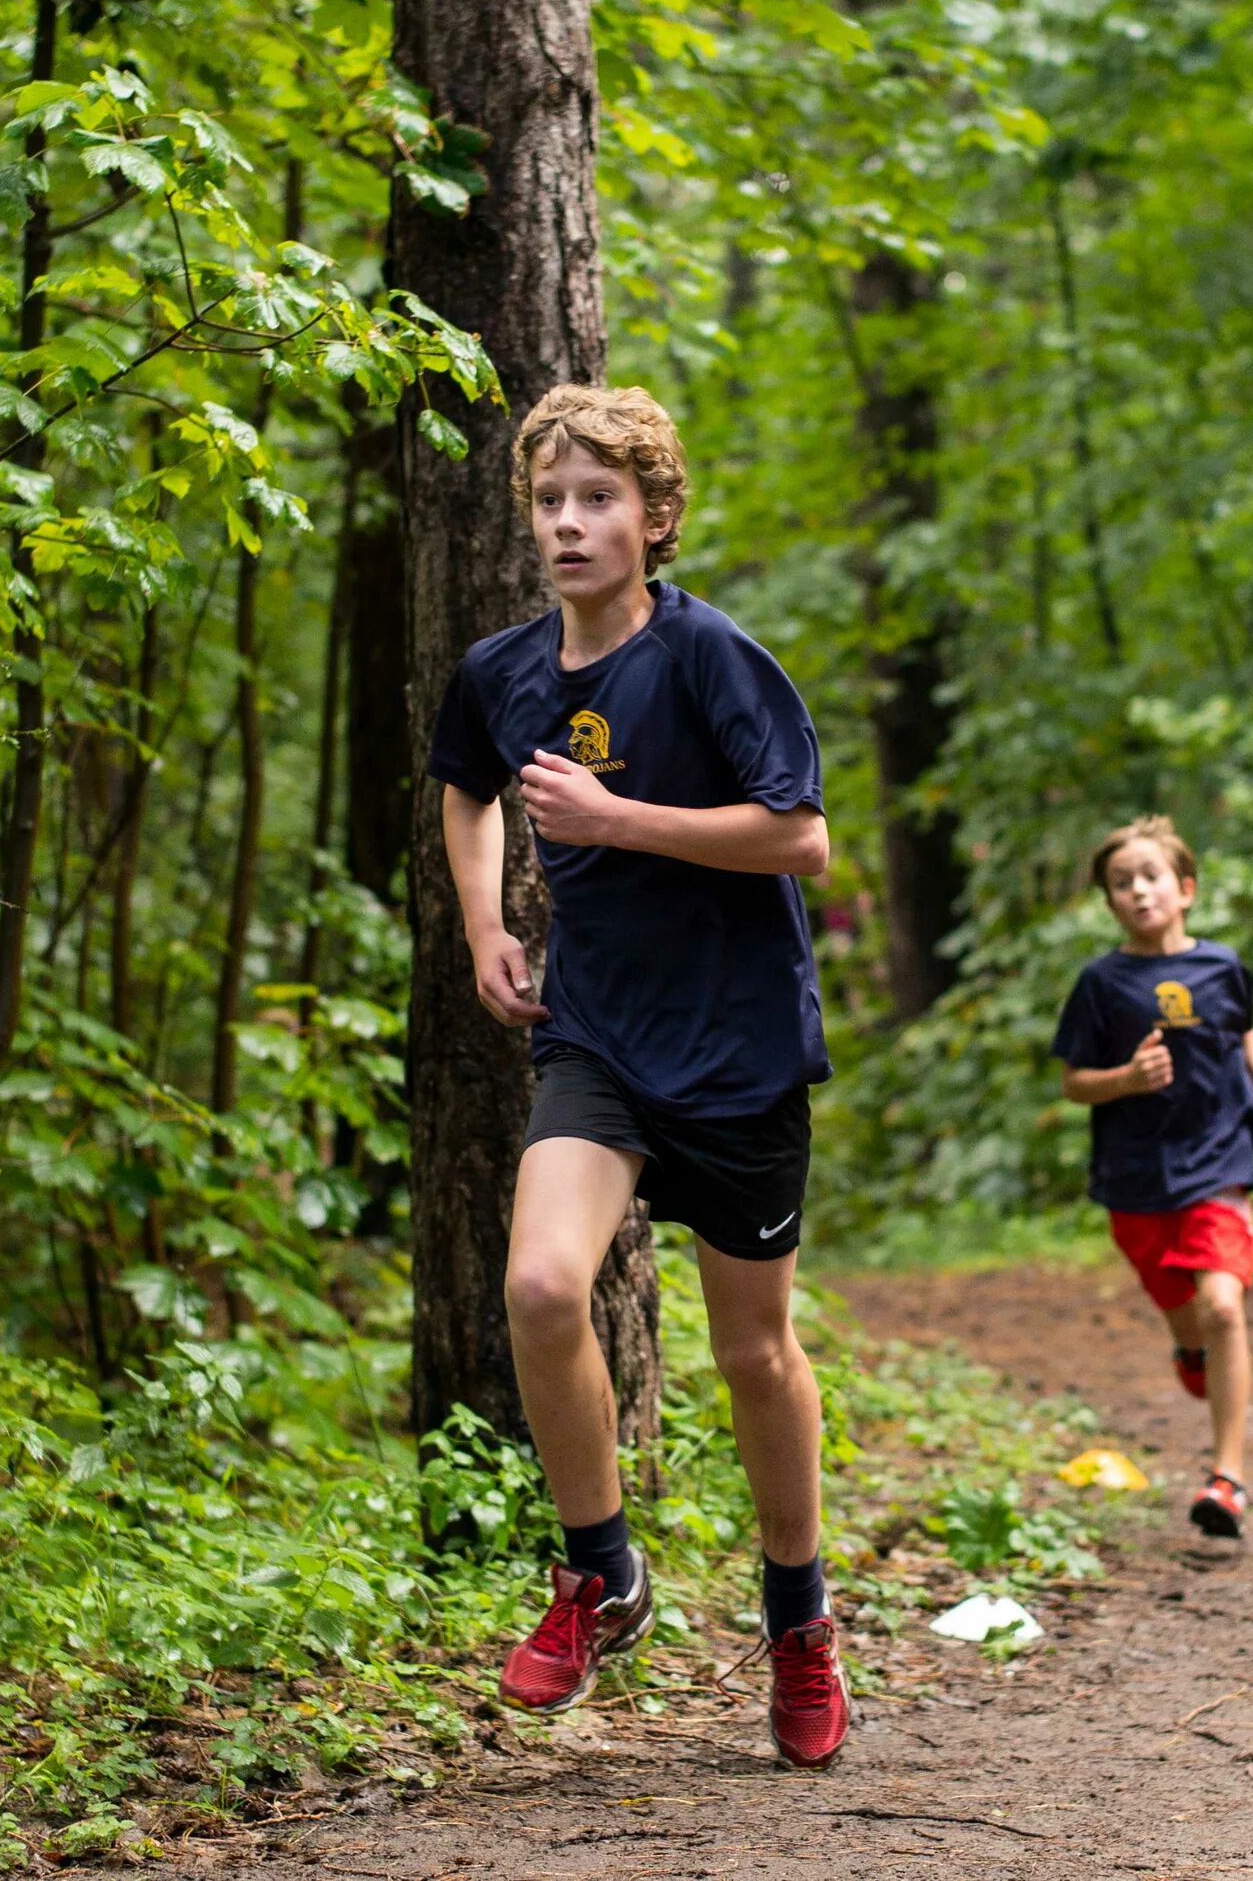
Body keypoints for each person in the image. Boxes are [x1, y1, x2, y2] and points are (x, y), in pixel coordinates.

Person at [425, 383, 847, 1767]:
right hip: (598, 1037)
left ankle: (798, 1621)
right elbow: (468, 784)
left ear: (653, 519)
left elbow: (801, 841)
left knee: (752, 1353)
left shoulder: (716, 659)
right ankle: (601, 1570)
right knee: (543, 1284)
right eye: (550, 500)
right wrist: (487, 923)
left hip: (736, 1052)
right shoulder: (504, 672)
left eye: (598, 498)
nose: (569, 522)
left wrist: (618, 821)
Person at [1050, 816, 1253, 1538]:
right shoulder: (1100, 984)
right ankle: (1190, 1351)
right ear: (1109, 902)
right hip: (1135, 1178)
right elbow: (1074, 1083)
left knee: (1224, 1306)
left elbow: (1244, 1029)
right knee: (1190, 1316)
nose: (1138, 891)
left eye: (1151, 877)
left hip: (1220, 1162)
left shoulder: (1223, 967)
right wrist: (1127, 1079)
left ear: (1185, 889)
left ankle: (1226, 1480)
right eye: (1121, 883)